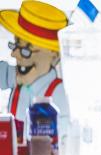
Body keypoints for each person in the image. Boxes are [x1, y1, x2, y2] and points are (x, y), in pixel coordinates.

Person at [0, 1, 69, 132]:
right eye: (15, 45)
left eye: (26, 50)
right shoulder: (16, 78)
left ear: (54, 56)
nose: (14, 54)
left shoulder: (60, 94)